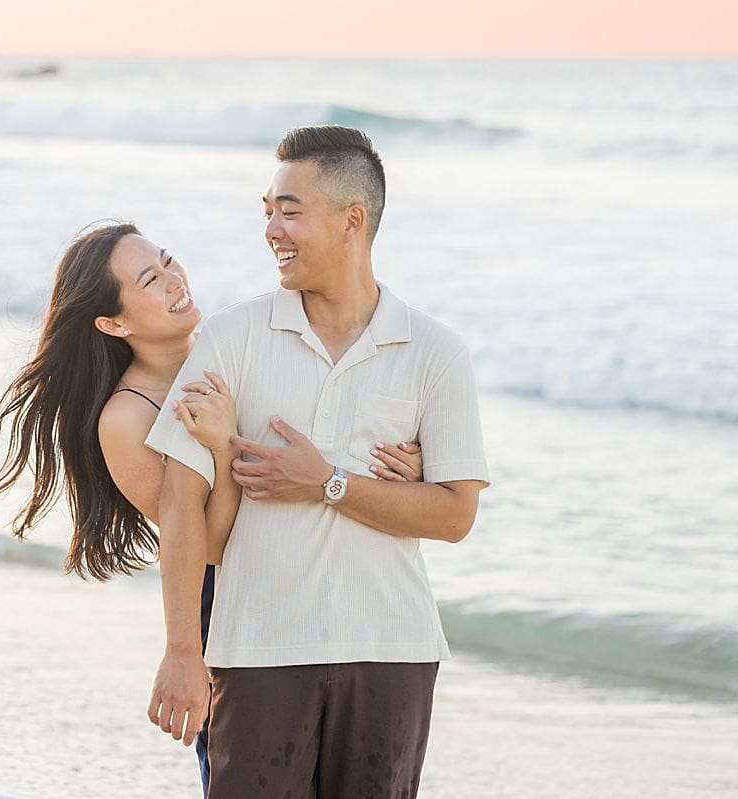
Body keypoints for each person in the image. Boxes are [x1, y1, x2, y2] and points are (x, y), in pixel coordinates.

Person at [0, 220, 427, 795]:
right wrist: (216, 444)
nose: (173, 280)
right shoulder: (127, 418)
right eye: (149, 279)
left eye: (167, 261)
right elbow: (210, 545)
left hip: (317, 584)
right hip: (230, 605)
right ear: (114, 323)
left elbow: (323, 440)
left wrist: (398, 467)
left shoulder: (236, 349)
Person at [144, 125, 491, 797]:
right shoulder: (229, 339)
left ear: (351, 222)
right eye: (267, 210)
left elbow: (454, 515)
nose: (271, 228)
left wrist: (326, 481)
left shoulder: (435, 352)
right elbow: (178, 501)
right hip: (258, 650)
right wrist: (183, 648)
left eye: (289, 210)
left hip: (392, 652)